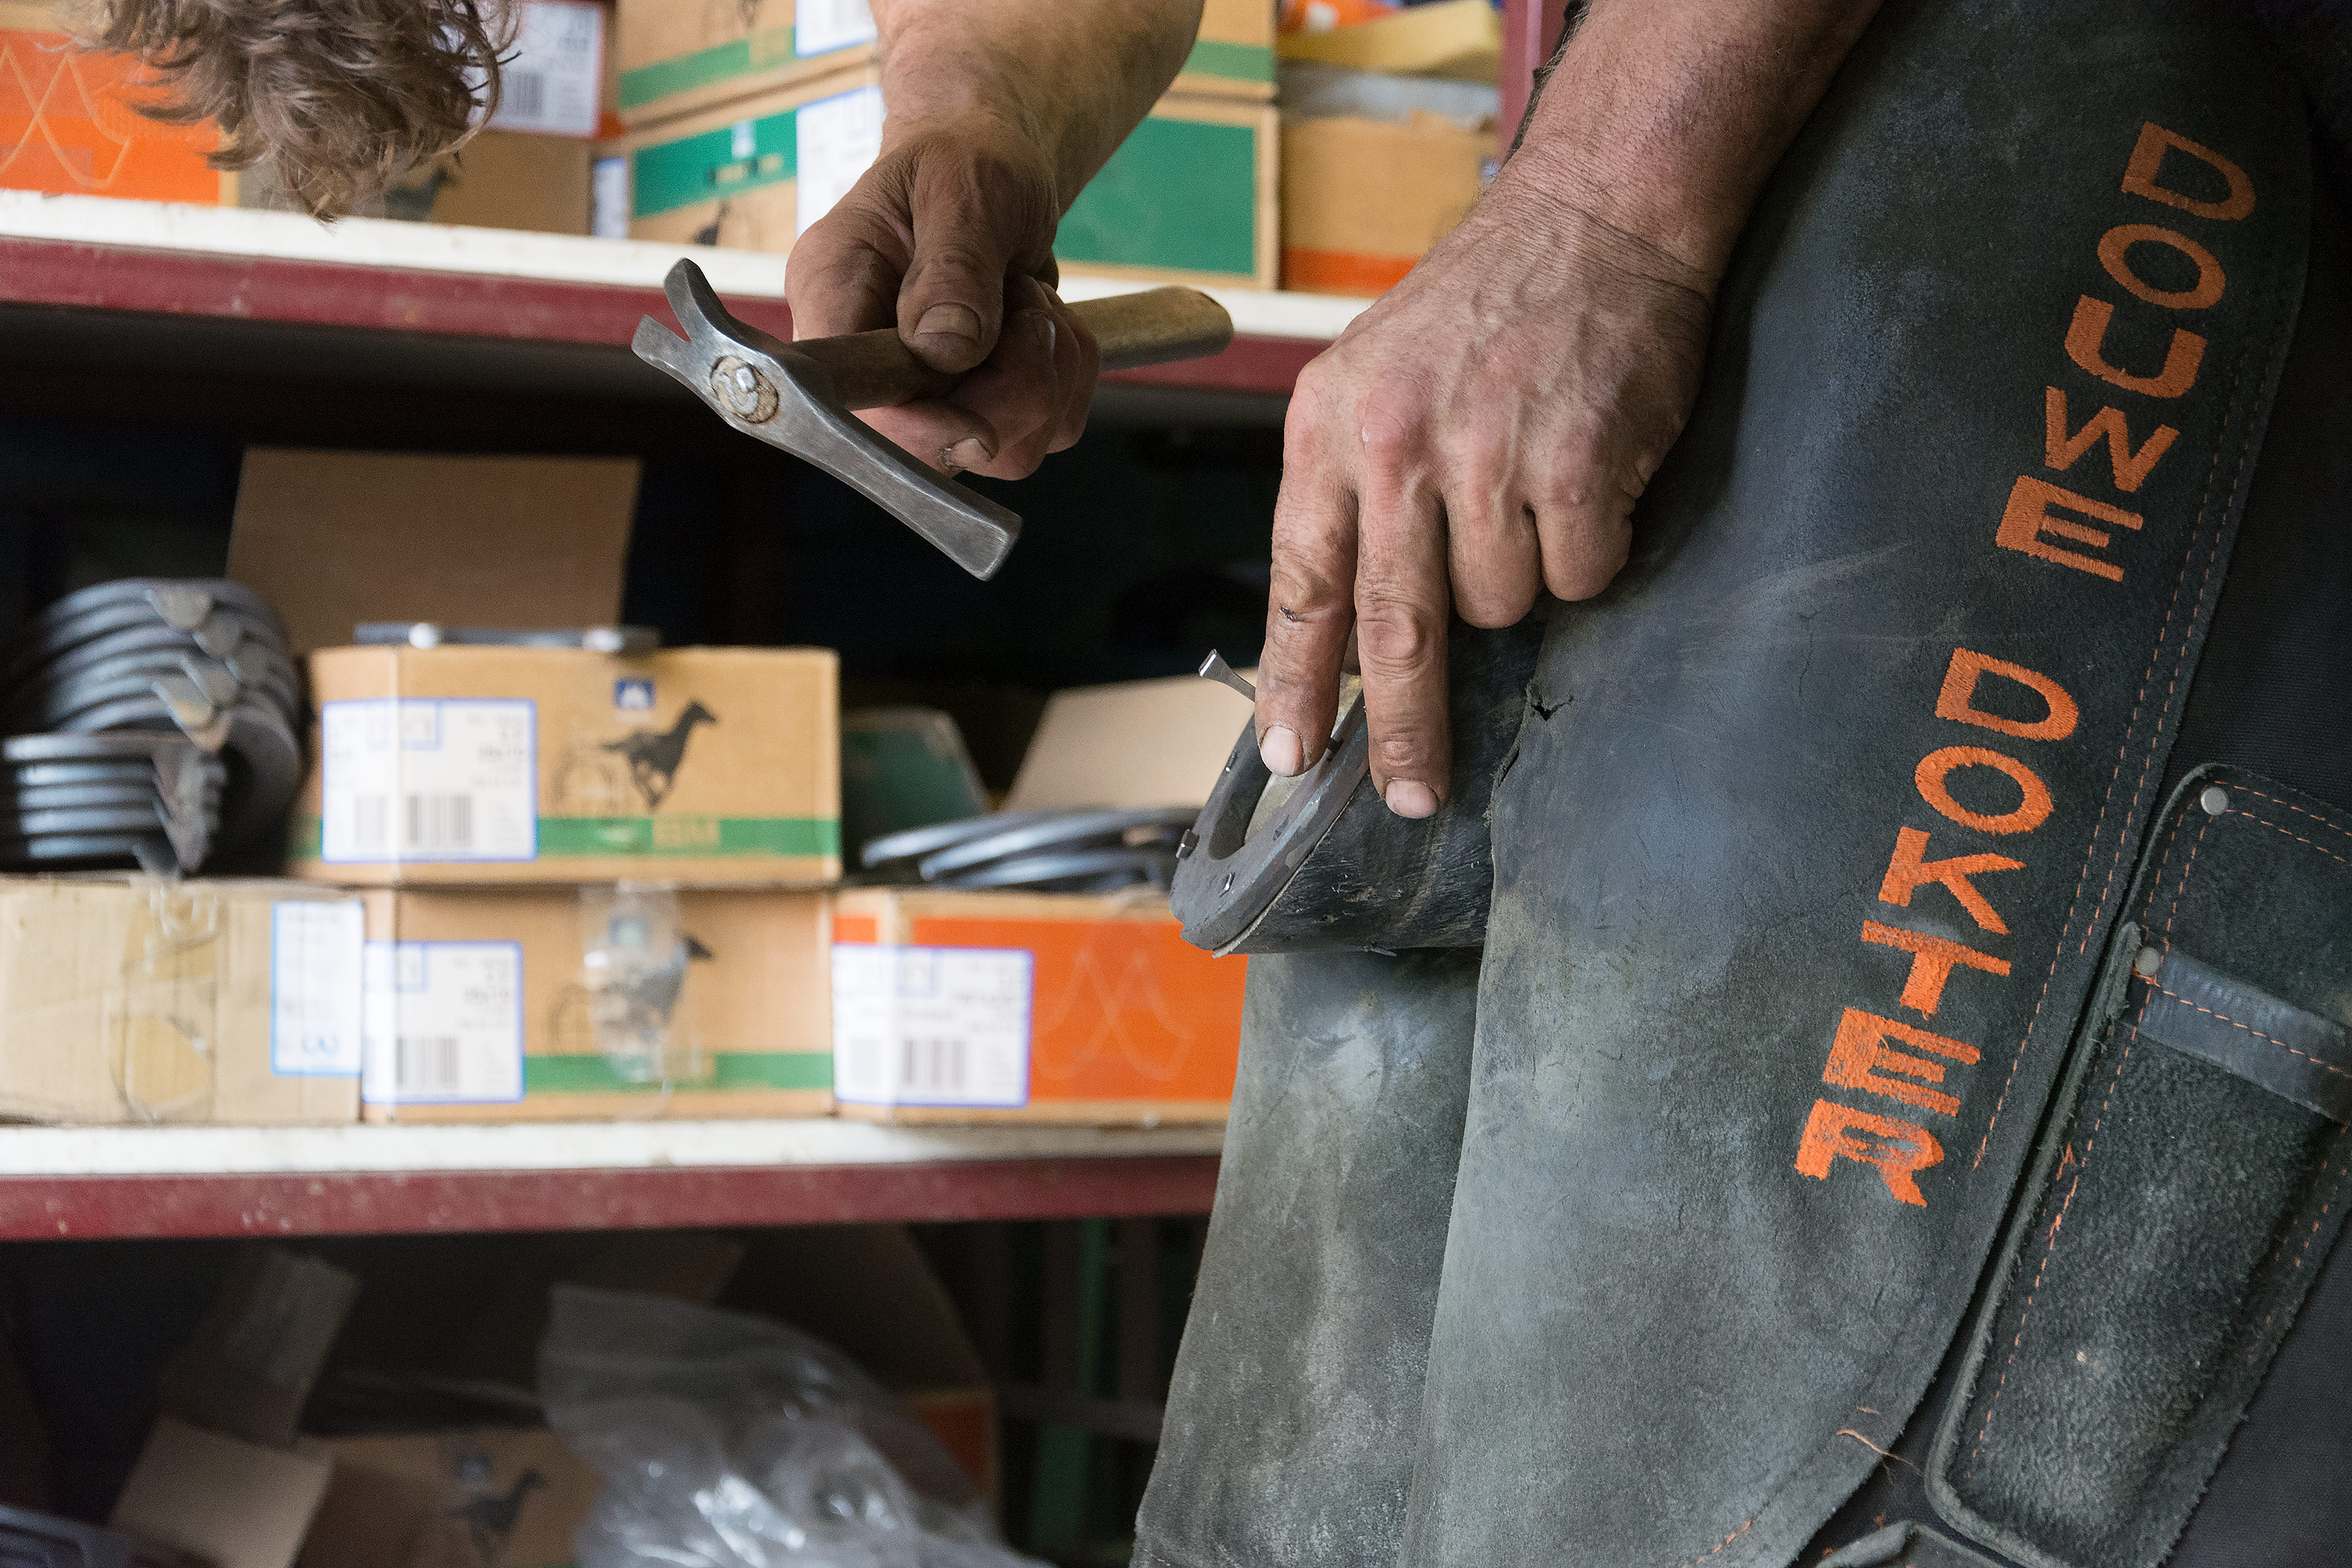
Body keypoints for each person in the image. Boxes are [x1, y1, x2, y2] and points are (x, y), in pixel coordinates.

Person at [98, 1, 2352, 1564]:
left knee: (1809, 1462)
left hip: (2117, 146)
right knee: (1291, 1503)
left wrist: (1603, 213)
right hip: (1757, 195)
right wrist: (976, 125)